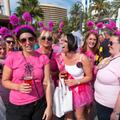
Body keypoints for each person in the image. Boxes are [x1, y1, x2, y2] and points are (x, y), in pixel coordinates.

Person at [2, 25, 52, 120]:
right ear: (19, 43)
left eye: (30, 39)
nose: (28, 43)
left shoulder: (43, 58)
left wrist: (49, 107)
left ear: (35, 40)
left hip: (39, 104)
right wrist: (18, 87)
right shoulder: (12, 57)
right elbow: (4, 81)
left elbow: (47, 83)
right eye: (23, 40)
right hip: (17, 107)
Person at [55, 33, 93, 120]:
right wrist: (60, 75)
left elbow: (89, 76)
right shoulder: (60, 57)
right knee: (68, 116)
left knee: (79, 116)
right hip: (66, 90)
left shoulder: (82, 58)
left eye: (65, 41)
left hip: (80, 90)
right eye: (61, 41)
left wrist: (76, 81)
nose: (61, 43)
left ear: (71, 43)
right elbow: (62, 72)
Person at [94, 34, 120, 120]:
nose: (108, 45)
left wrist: (116, 112)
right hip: (100, 104)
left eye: (111, 43)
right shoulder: (110, 58)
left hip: (110, 109)